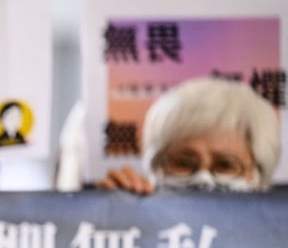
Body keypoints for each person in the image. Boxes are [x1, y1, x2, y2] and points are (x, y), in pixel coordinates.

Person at [96, 77, 281, 194]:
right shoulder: (134, 223)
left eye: (226, 165)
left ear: (260, 178)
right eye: (183, 163)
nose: (204, 180)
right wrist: (112, 215)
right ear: (155, 167)